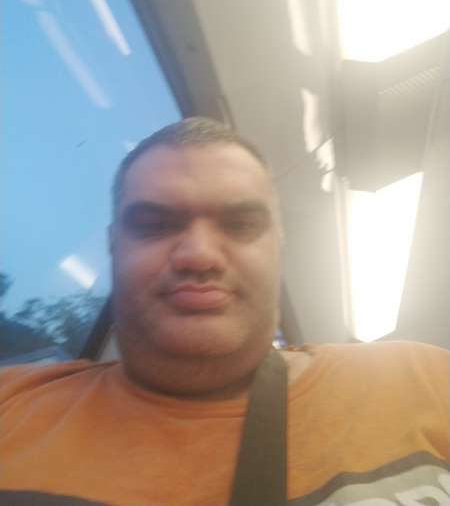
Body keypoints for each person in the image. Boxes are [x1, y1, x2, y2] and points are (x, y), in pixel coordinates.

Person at [0, 117, 448, 506]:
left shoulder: (422, 378)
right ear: (113, 245)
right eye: (154, 225)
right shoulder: (10, 406)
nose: (199, 255)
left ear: (279, 247)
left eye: (241, 225)